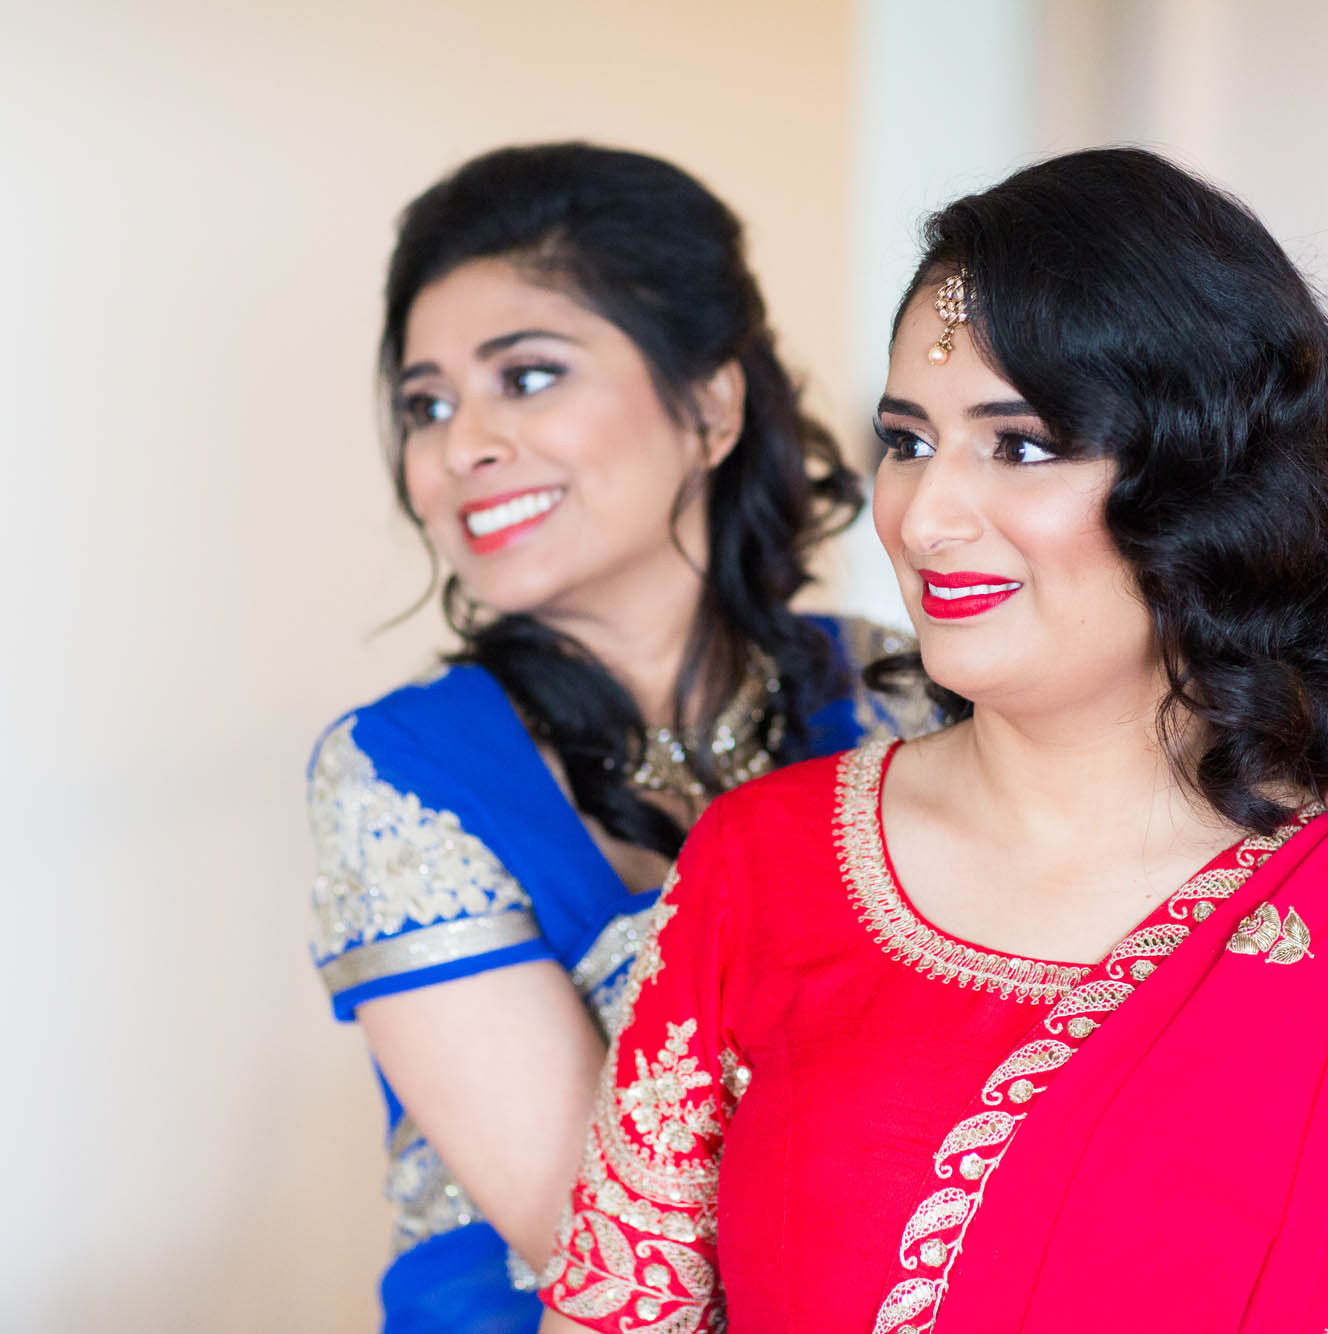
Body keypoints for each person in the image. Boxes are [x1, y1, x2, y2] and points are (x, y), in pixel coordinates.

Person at [539, 148, 1328, 1334]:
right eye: (906, 440)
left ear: (1205, 485)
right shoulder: (764, 865)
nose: (923, 517)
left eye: (1020, 444)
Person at [303, 142, 951, 1334]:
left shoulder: (897, 696)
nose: (460, 446)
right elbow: (613, 1261)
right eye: (425, 404)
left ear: (709, 405)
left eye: (526, 376)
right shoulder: (406, 770)